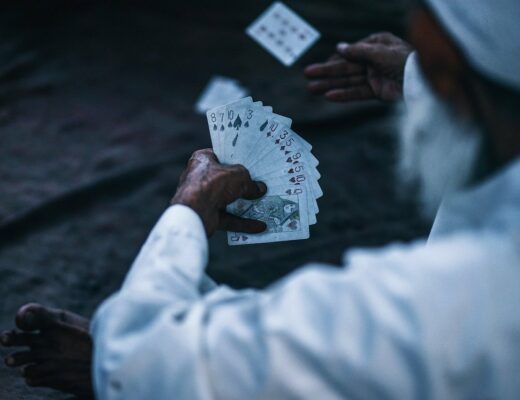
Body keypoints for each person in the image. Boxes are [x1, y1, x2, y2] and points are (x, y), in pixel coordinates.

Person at [3, 0, 520, 398]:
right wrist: (421, 75)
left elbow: (135, 351)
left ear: (441, 53)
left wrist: (188, 209)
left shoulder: (440, 303)